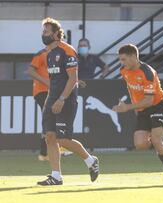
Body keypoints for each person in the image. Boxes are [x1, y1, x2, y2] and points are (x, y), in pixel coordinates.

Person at [112, 44, 163, 186]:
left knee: (155, 140)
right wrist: (134, 104)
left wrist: (128, 107)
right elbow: (131, 88)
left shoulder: (148, 72)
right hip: (142, 108)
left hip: (158, 106)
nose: (121, 63)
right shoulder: (124, 70)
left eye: (123, 59)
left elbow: (149, 101)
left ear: (133, 57)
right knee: (140, 144)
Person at [37, 17, 99, 186]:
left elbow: (73, 78)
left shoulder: (67, 50)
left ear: (56, 34)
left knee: (63, 140)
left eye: (46, 32)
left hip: (66, 100)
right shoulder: (49, 53)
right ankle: (56, 176)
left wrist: (62, 99)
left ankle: (90, 160)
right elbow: (56, 79)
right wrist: (51, 100)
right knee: (50, 137)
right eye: (43, 31)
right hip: (52, 99)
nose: (43, 35)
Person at [27, 48, 50, 161]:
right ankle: (45, 152)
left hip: (52, 91)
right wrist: (46, 82)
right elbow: (30, 71)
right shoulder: (41, 54)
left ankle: (45, 152)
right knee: (50, 118)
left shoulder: (60, 53)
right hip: (42, 91)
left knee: (51, 119)